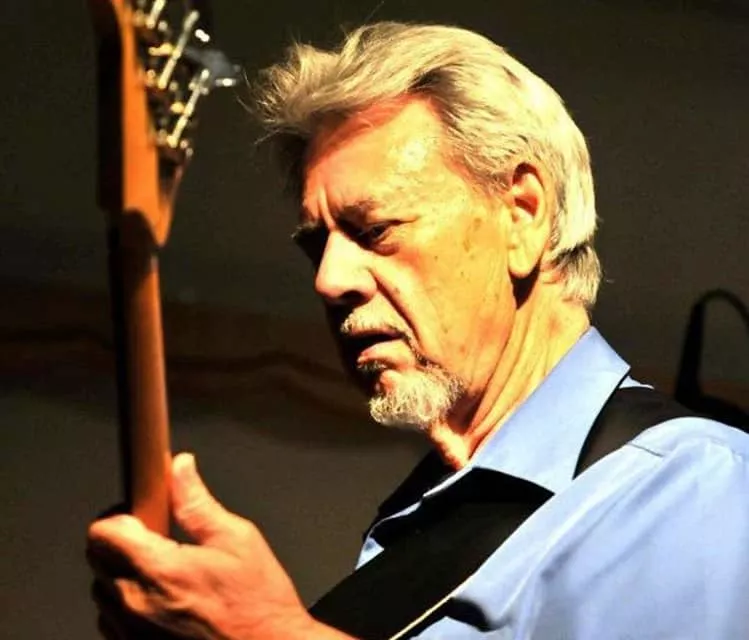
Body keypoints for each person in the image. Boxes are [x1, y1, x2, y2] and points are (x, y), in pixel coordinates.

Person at [87, 22, 749, 639]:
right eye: (317, 246)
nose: (329, 280)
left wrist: (269, 631)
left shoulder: (697, 488)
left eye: (373, 230)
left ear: (521, 214)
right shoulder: (412, 525)